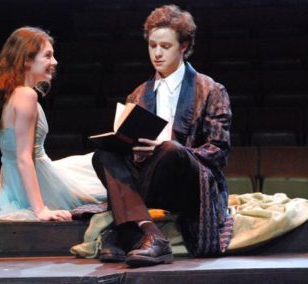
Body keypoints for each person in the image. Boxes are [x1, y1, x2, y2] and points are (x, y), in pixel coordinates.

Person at [92, 5, 233, 267]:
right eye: (152, 45)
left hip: (188, 182)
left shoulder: (210, 89)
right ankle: (150, 234)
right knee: (104, 154)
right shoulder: (137, 94)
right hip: (149, 180)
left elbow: (219, 151)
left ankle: (125, 231)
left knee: (169, 149)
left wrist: (171, 149)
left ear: (183, 46)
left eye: (165, 46)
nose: (157, 53)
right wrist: (130, 150)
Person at [0, 27, 106, 227]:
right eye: (48, 56)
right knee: (105, 168)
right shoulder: (26, 95)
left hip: (10, 188)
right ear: (27, 60)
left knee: (87, 163)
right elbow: (24, 158)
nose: (55, 62)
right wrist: (39, 209)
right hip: (39, 186)